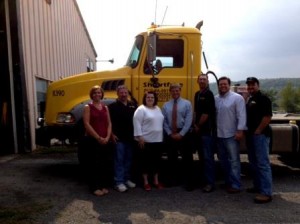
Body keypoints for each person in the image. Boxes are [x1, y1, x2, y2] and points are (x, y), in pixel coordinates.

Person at [215, 76, 247, 193]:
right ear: (218, 86)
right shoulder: (216, 98)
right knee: (223, 161)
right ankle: (228, 182)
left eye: (225, 84)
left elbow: (241, 115)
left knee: (234, 161)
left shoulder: (237, 98)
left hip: (231, 135)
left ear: (229, 85)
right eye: (220, 84)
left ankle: (236, 185)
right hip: (219, 135)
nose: (223, 86)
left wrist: (240, 131)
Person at [80, 85, 112, 196]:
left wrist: (107, 137)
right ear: (91, 95)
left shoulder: (105, 107)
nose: (97, 94)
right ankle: (94, 187)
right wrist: (98, 138)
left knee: (104, 164)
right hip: (93, 140)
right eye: (95, 93)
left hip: (105, 140)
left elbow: (109, 123)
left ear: (102, 94)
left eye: (99, 92)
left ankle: (103, 185)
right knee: (93, 164)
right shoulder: (87, 107)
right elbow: (86, 124)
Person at [245, 77, 273, 203]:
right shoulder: (250, 99)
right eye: (249, 85)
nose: (250, 87)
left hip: (260, 135)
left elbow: (267, 117)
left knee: (263, 164)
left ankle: (266, 193)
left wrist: (258, 130)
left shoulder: (264, 98)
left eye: (253, 85)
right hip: (251, 135)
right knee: (253, 162)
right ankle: (258, 186)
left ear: (258, 85)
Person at [162, 83, 194, 191]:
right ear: (170, 92)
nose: (175, 92)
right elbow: (164, 121)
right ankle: (172, 180)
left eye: (177, 90)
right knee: (171, 158)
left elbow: (189, 120)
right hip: (171, 133)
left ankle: (189, 182)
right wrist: (170, 133)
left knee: (187, 158)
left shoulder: (187, 103)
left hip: (183, 134)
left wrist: (181, 134)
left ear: (180, 91)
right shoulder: (166, 105)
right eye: (173, 91)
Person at [133, 91, 164, 191]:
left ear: (155, 99)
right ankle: (146, 182)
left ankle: (156, 181)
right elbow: (137, 123)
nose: (150, 99)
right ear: (145, 99)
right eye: (148, 97)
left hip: (158, 140)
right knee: (145, 162)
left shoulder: (157, 108)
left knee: (156, 162)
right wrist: (140, 137)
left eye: (152, 97)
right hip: (146, 141)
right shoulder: (141, 109)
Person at [109, 85, 137, 192]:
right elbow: (109, 122)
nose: (124, 95)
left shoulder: (133, 105)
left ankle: (126, 179)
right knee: (119, 161)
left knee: (128, 160)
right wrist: (111, 134)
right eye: (121, 93)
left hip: (130, 138)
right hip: (118, 138)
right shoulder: (112, 106)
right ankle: (118, 182)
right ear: (117, 94)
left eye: (125, 93)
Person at [194, 74, 216, 193]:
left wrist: (198, 125)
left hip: (207, 131)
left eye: (204, 79)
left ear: (207, 81)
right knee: (202, 157)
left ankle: (210, 183)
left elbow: (206, 114)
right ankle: (204, 180)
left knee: (208, 158)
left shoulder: (208, 94)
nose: (202, 81)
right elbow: (196, 112)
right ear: (197, 81)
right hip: (199, 132)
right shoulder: (197, 94)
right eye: (200, 79)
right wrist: (194, 124)